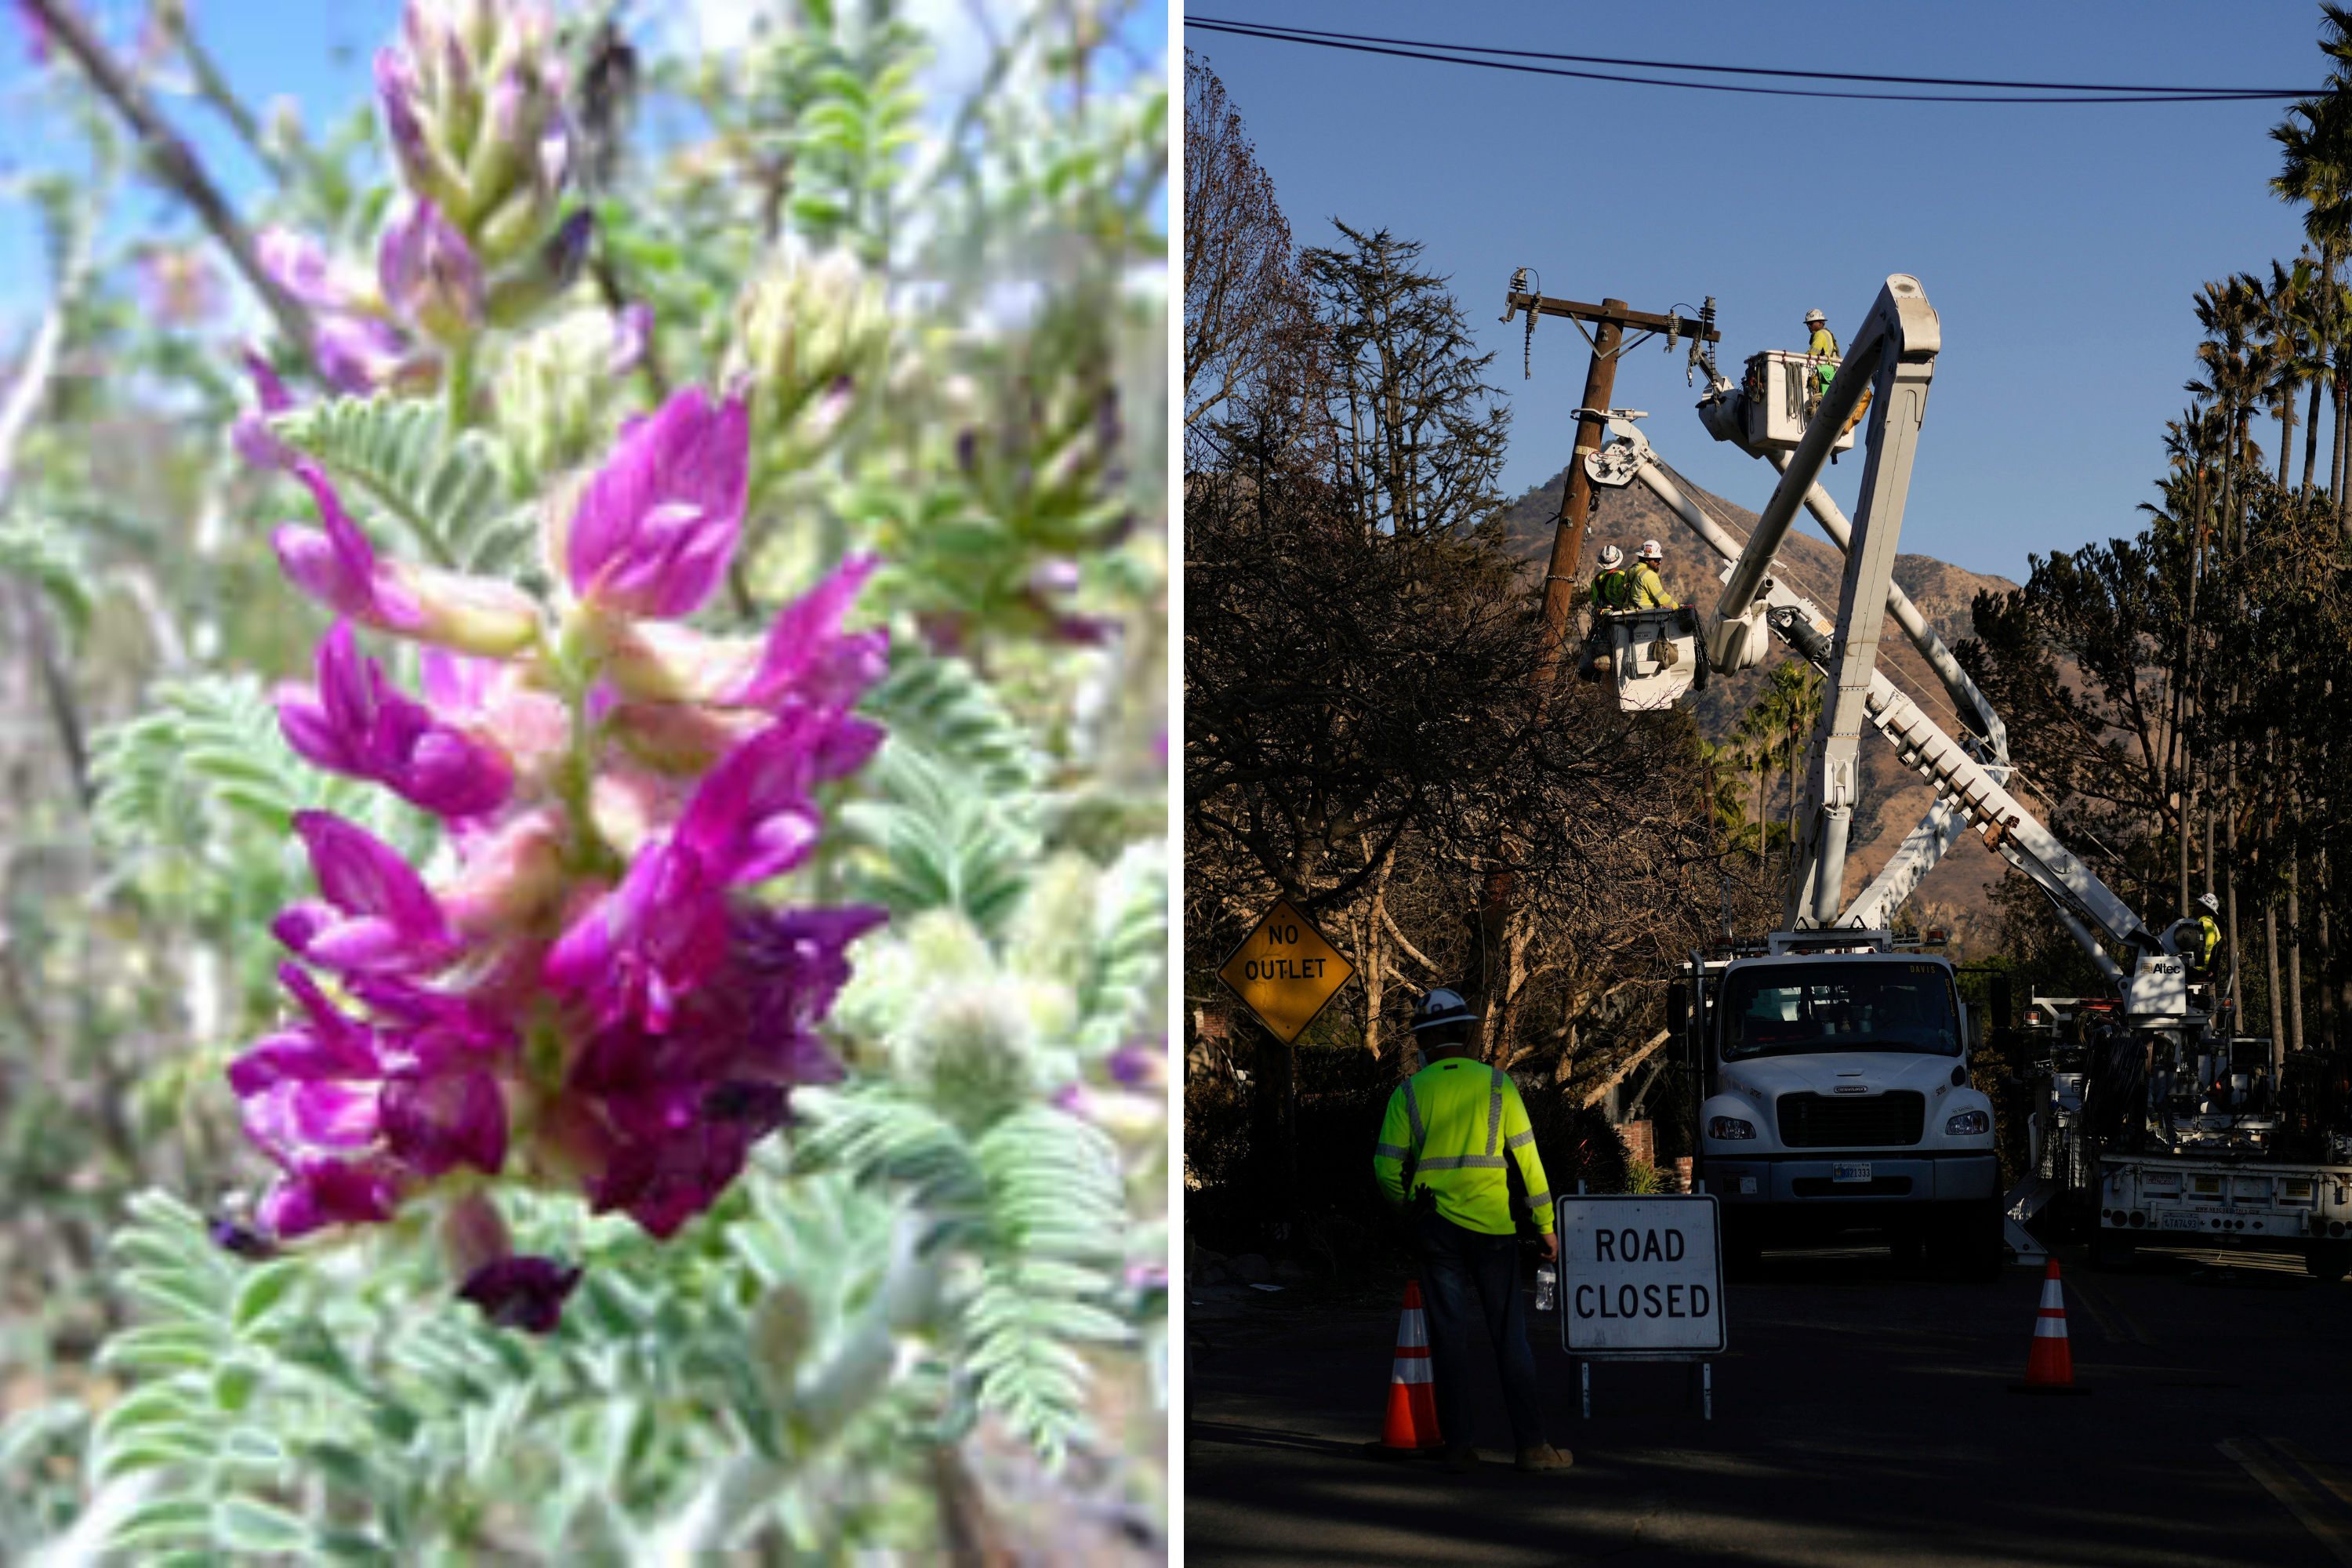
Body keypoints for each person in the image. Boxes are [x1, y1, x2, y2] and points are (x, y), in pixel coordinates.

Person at [1371, 989, 1571, 1475]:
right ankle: (1532, 1448)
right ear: (1464, 1032)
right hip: (1494, 1232)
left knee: (1449, 1340)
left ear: (1423, 1038)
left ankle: (1459, 1447)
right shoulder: (1499, 1086)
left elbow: (1384, 1167)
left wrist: (1406, 1208)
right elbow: (1529, 1163)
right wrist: (1546, 1227)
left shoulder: (1410, 1092)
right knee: (1511, 1340)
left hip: (1435, 1230)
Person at [1628, 539, 1678, 608]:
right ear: (1647, 560)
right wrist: (1677, 607)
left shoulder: (1630, 570)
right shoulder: (1649, 575)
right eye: (1657, 559)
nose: (1660, 562)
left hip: (1628, 613)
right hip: (1644, 615)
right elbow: (1663, 599)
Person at [1590, 543, 1632, 611]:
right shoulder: (1620, 575)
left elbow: (1595, 602)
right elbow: (1627, 598)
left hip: (1602, 617)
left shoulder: (1595, 580)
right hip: (1620, 616)